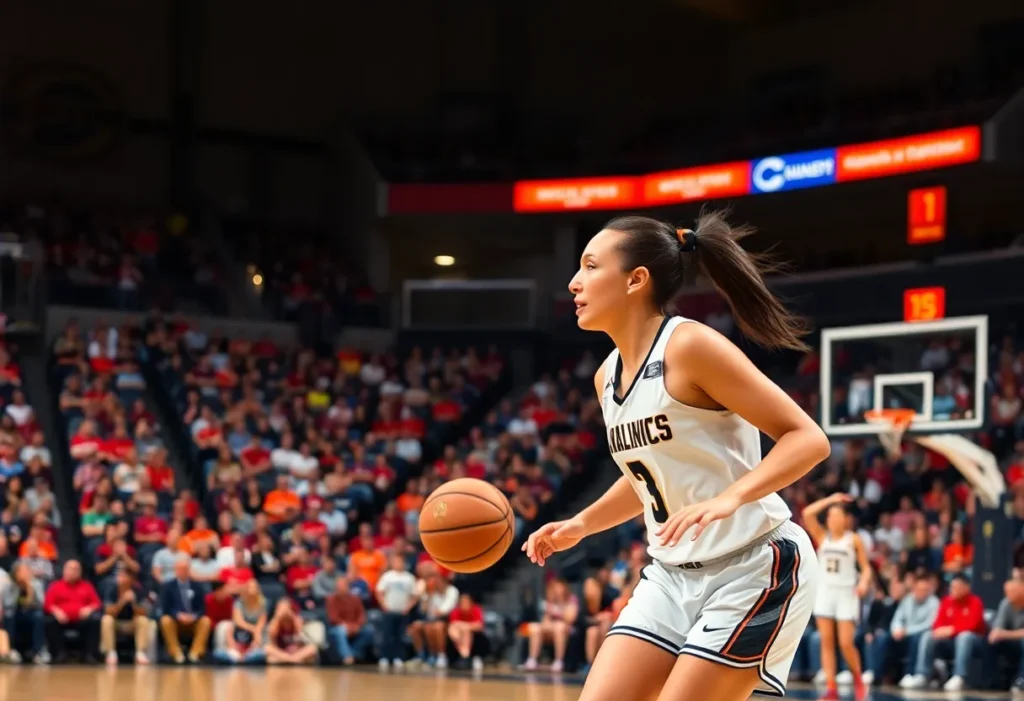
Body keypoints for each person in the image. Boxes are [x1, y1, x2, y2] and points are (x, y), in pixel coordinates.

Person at [524, 211, 829, 701]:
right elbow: (648, 478)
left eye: (590, 266)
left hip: (755, 565)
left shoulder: (689, 345)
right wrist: (580, 524)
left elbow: (807, 438)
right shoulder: (607, 378)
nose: (573, 281)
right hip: (669, 576)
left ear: (635, 280)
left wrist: (730, 497)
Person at [801, 493, 872, 699]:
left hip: (846, 592)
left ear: (845, 519)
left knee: (846, 642)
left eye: (837, 515)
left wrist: (864, 582)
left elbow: (866, 568)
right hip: (825, 591)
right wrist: (830, 499)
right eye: (830, 516)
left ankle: (857, 677)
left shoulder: (854, 539)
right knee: (826, 640)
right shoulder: (822, 537)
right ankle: (831, 688)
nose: (833, 519)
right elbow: (807, 513)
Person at [158, 554, 212, 663]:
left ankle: (195, 653)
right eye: (180, 569)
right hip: (176, 620)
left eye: (185, 568)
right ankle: (176, 653)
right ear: (176, 570)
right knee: (165, 620)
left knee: (206, 621)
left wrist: (194, 616)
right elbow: (165, 608)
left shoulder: (197, 586)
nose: (183, 571)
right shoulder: (168, 586)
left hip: (193, 620)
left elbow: (202, 608)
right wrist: (178, 615)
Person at [265, 599, 318, 665]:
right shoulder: (276, 622)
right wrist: (277, 617)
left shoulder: (297, 619)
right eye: (280, 608)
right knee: (268, 649)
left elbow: (301, 635)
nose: (284, 611)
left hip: (297, 652)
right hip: (282, 652)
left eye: (286, 608)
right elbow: (271, 635)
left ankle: (290, 660)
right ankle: (292, 660)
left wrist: (293, 616)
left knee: (312, 648)